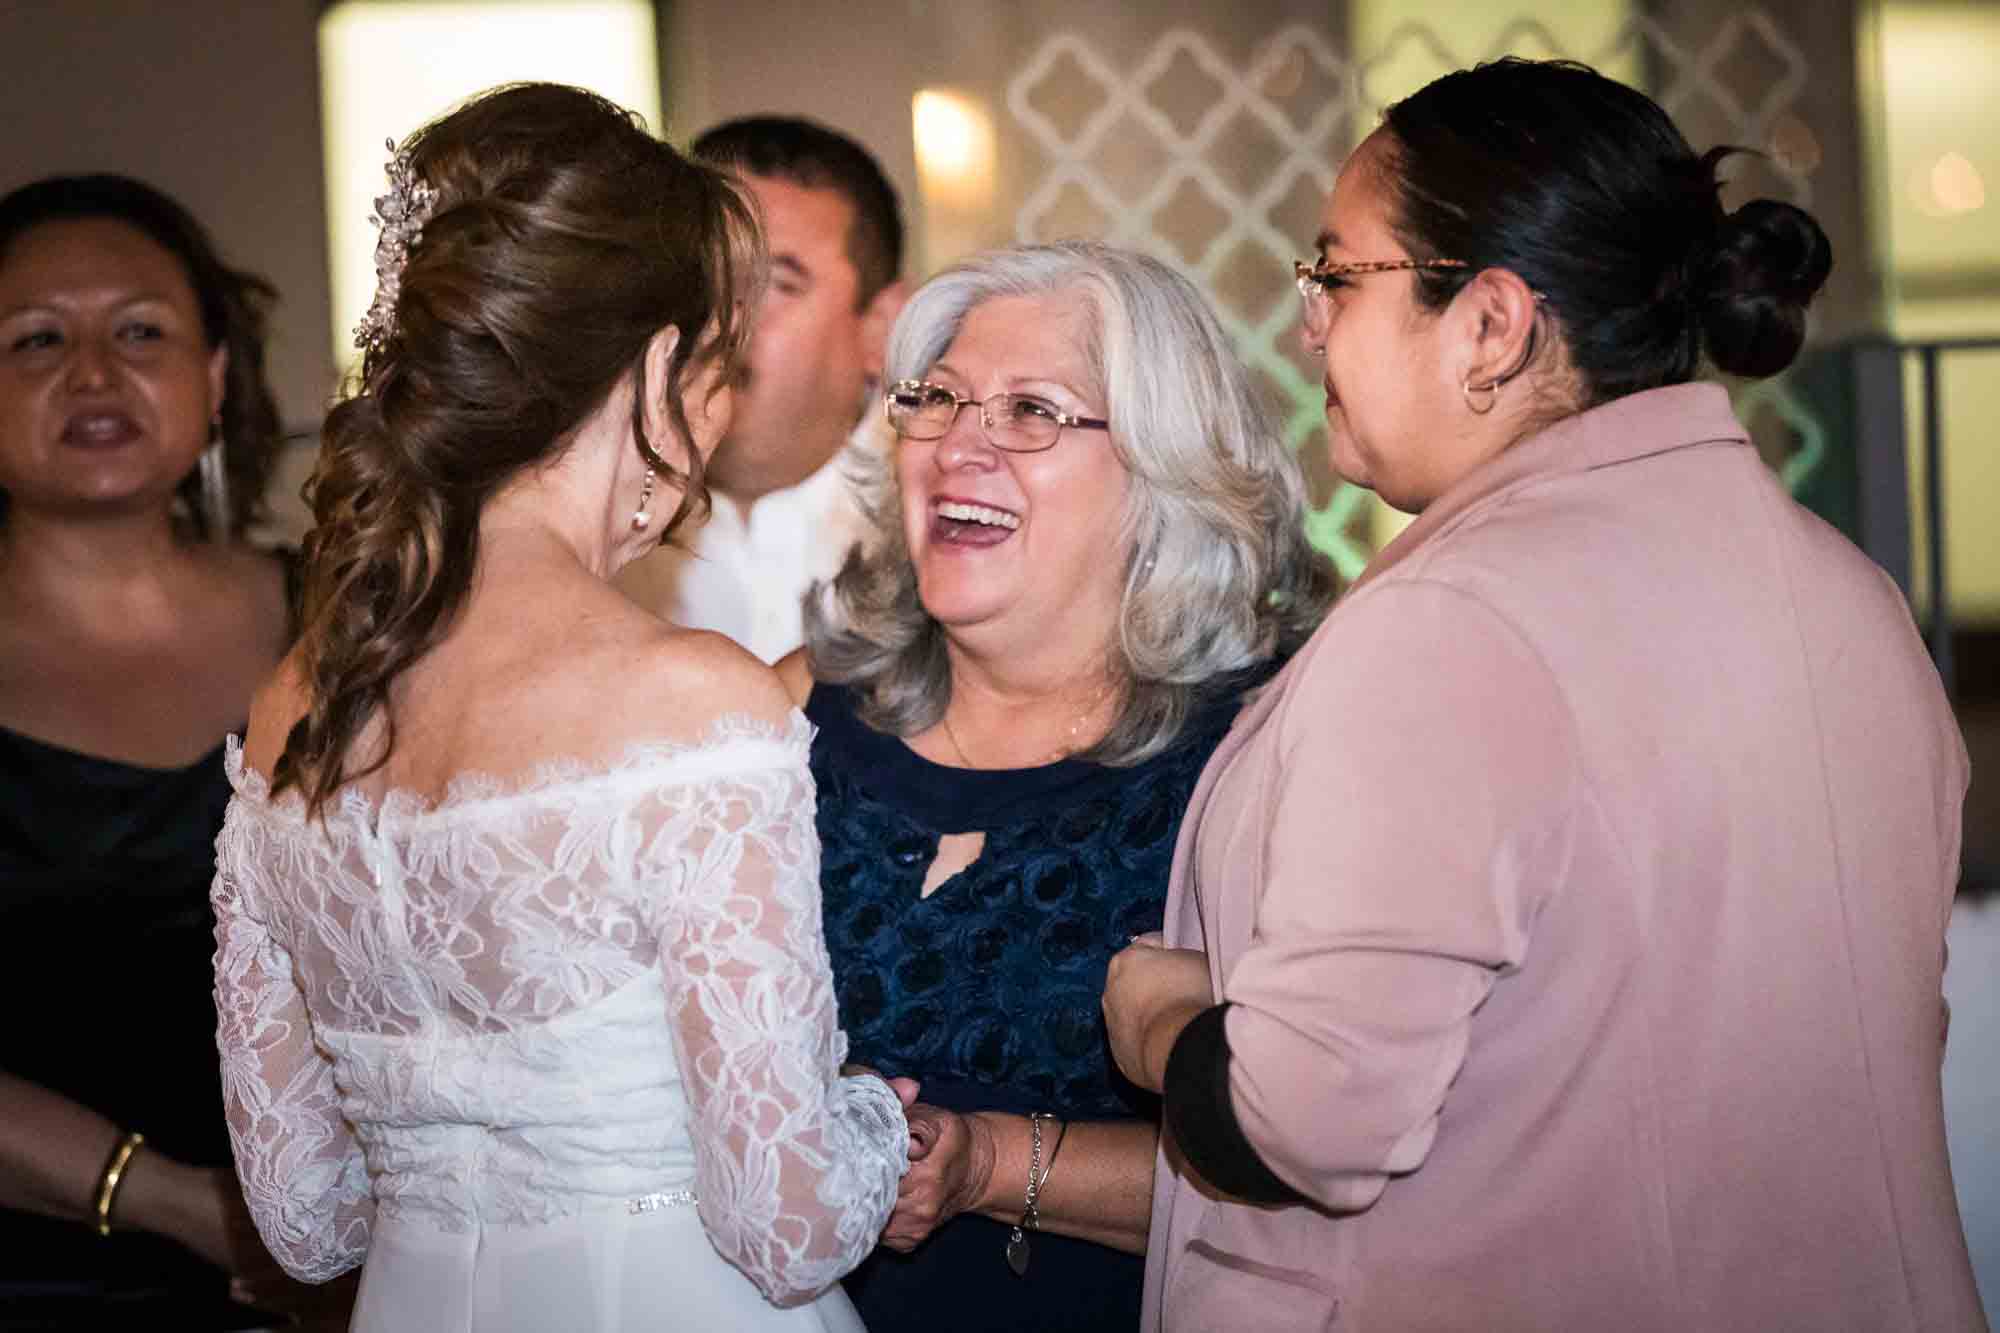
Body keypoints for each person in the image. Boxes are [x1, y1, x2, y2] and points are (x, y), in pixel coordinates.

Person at [1101, 57, 1985, 1332]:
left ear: (1492, 326)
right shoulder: (1850, 596)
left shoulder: (1455, 620)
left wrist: (1161, 1016)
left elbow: (1303, 1119)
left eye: (1337, 275)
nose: (1309, 325)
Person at [211, 83, 908, 1333]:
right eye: (719, 364)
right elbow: (784, 1221)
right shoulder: (694, 703)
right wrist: (876, 1117)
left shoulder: (293, 709)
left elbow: (304, 1215)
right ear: (656, 365)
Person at [779, 240, 1337, 1332]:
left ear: (1162, 470)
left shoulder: (1263, 750)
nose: (957, 445)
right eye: (935, 399)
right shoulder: (801, 708)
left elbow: (1315, 1153)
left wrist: (990, 1160)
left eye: (1032, 411)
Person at [0, 173, 298, 1321]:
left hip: (352, 1270)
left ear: (214, 376)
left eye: (140, 330)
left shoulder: (355, 614)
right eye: (36, 339)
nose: (93, 372)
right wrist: (182, 1202)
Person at [616, 115, 907, 663]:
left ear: (880, 326)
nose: (721, 318)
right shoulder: (590, 524)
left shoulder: (928, 526)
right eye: (702, 273)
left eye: (775, 284)